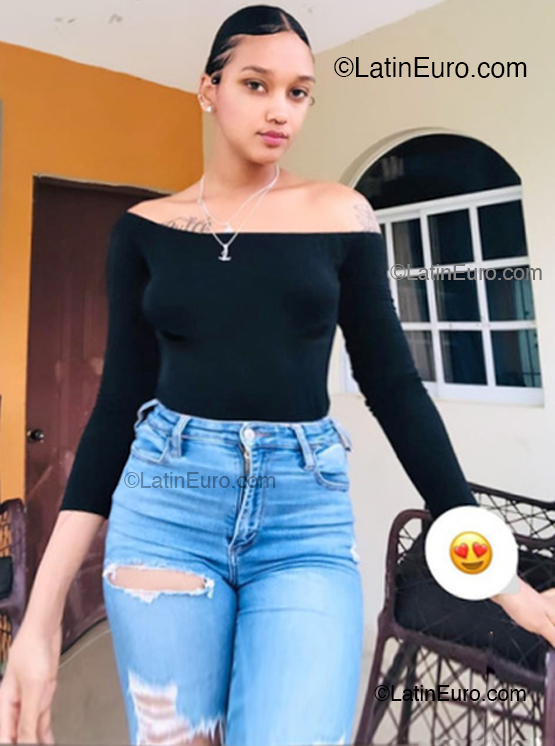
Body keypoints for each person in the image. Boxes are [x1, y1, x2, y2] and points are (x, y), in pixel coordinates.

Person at [2, 4, 555, 745]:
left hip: (304, 518)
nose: (280, 110)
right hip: (166, 506)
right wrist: (38, 624)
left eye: (298, 92)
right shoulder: (142, 230)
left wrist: (497, 575)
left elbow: (395, 388)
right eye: (255, 84)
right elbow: (115, 410)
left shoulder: (340, 214)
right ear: (209, 89)